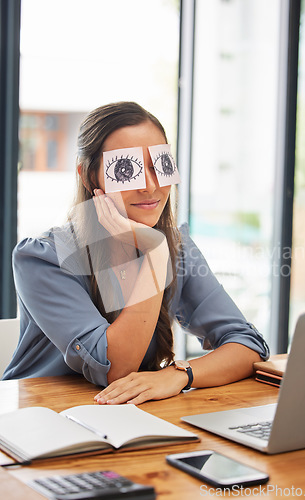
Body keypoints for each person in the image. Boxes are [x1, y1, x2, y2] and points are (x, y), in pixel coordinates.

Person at [3, 101, 269, 405]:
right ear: (90, 176)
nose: (151, 187)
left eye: (161, 167)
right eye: (128, 171)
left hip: (126, 419)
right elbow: (116, 368)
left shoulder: (178, 248)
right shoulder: (42, 258)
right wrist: (154, 255)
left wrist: (179, 375)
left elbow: (248, 345)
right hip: (38, 422)